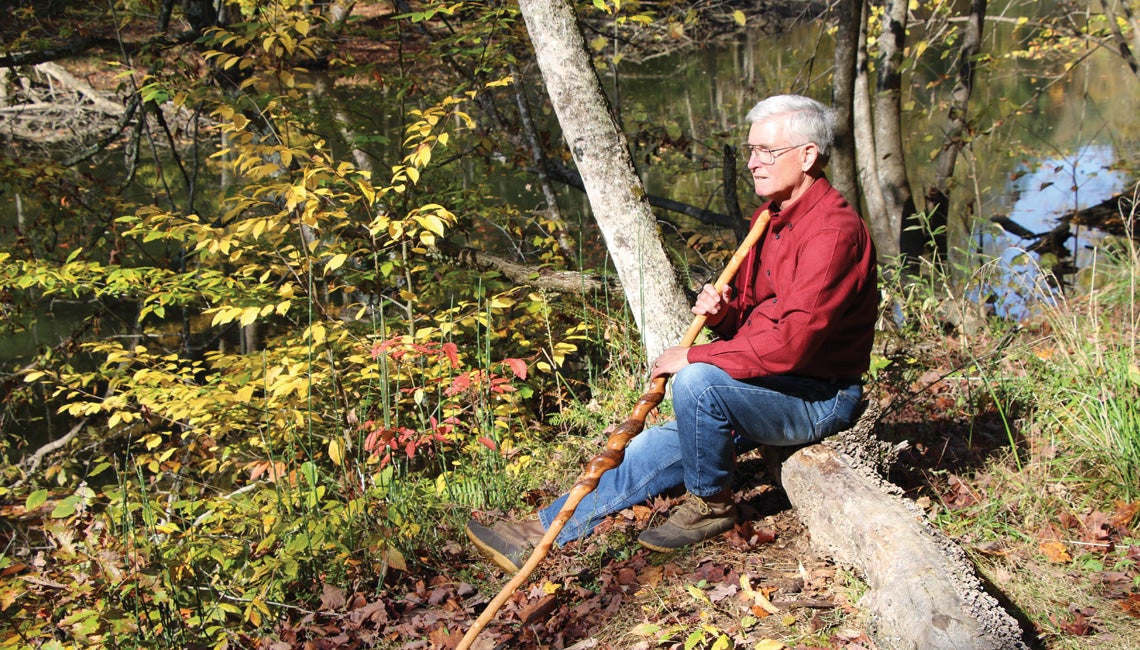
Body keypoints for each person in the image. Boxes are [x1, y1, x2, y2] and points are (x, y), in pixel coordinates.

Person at [466, 94, 878, 572]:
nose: (751, 163)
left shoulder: (832, 233)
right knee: (652, 444)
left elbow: (793, 343)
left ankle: (713, 504)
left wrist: (700, 358)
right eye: (750, 150)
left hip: (816, 396)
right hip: (768, 383)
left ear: (807, 156)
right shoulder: (771, 218)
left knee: (698, 385)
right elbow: (756, 319)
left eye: (766, 152)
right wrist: (724, 315)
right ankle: (546, 528)